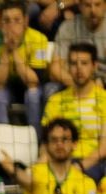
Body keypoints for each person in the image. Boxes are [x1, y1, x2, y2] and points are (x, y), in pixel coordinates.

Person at [0, 1, 49, 139]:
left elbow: (33, 81)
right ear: (0, 23)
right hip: (8, 86)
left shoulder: (39, 39)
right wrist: (6, 53)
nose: (11, 25)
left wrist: (14, 51)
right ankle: (1, 144)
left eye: (17, 20)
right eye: (6, 21)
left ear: (26, 21)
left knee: (32, 95)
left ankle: (36, 141)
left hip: (31, 87)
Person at [43, 43, 106, 184]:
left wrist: (79, 167)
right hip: (61, 159)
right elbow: (46, 143)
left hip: (94, 162)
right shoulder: (55, 100)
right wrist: (40, 167)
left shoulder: (104, 100)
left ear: (94, 66)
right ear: (67, 67)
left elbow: (104, 148)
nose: (79, 69)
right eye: (73, 63)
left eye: (84, 63)